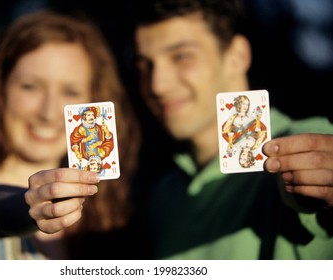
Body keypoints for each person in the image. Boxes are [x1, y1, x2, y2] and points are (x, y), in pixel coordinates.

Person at [128, 0, 333, 259]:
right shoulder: (162, 196)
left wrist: (315, 182)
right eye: (144, 65)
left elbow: (320, 169)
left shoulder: (304, 139)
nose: (157, 85)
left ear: (237, 56)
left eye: (181, 56)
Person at [0, 10, 140, 260]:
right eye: (30, 87)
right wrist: (25, 205)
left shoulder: (110, 216)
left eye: (70, 91)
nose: (49, 112)